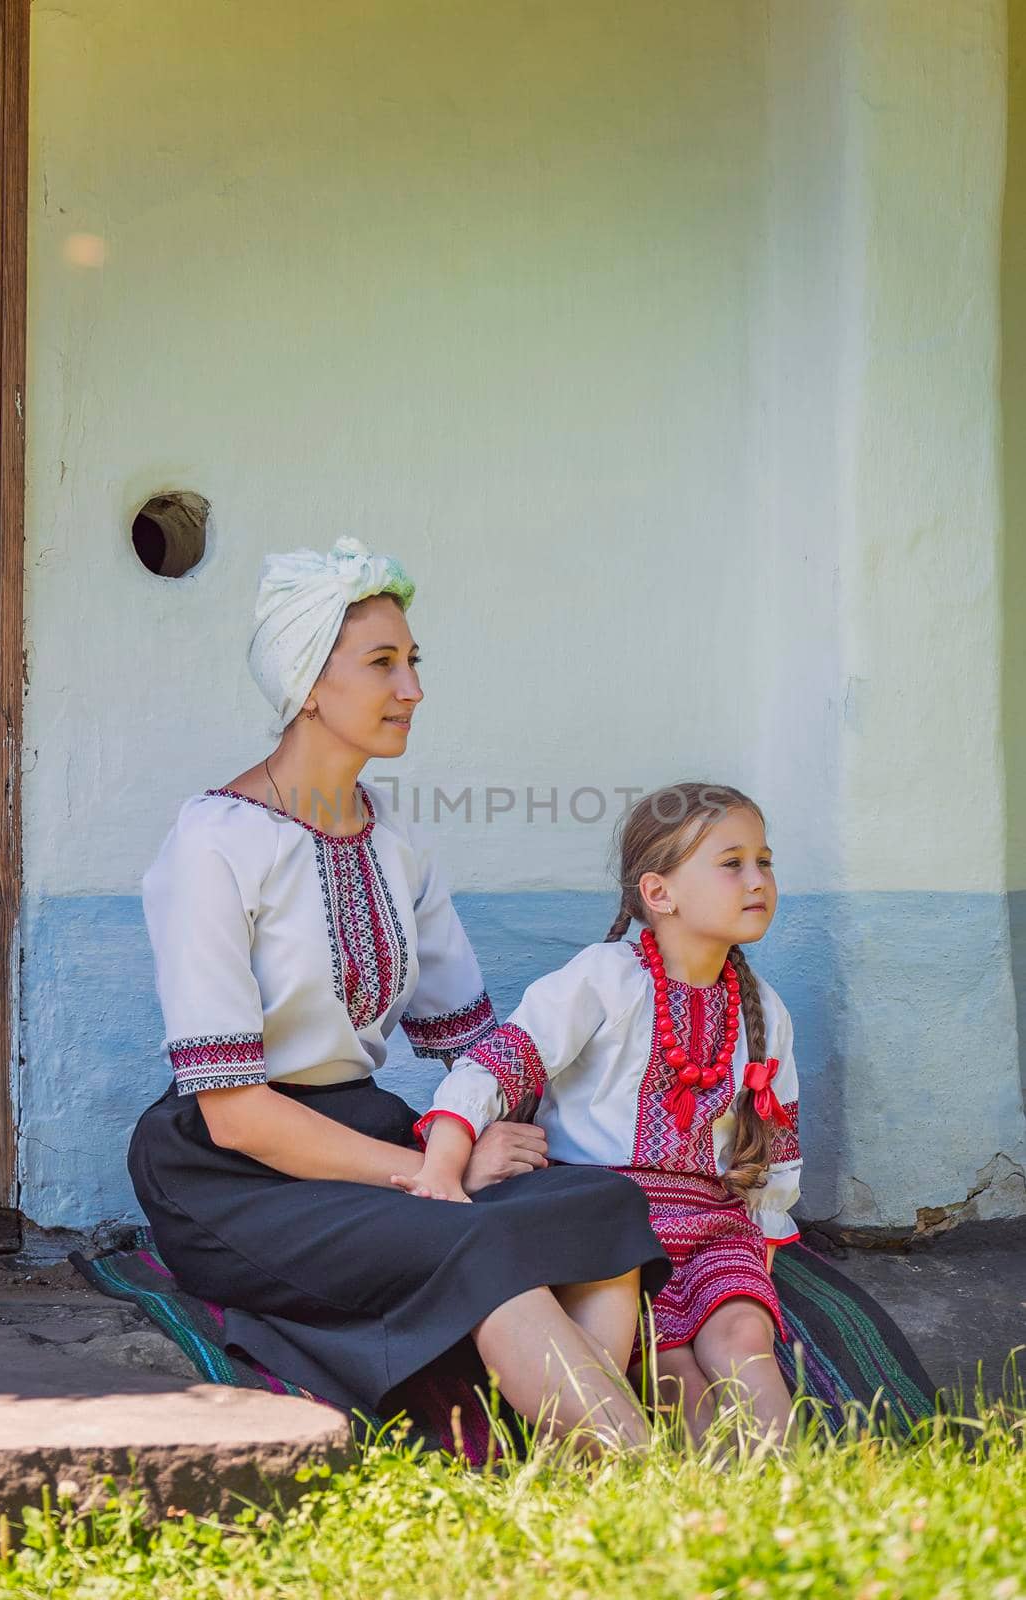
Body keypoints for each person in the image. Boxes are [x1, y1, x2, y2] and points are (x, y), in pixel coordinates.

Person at [128, 539, 669, 1454]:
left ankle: (567, 1459)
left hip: (374, 1137)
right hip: (235, 1173)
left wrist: (489, 1128)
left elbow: (472, 1048)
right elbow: (235, 1116)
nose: (411, 686)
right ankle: (641, 1479)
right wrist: (435, 1173)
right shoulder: (212, 842)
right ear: (307, 682)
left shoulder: (395, 839)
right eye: (382, 662)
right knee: (473, 1242)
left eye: (412, 660)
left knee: (601, 1207)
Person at [402, 782, 802, 1443]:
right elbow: (495, 1067)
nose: (757, 879)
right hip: (613, 1229)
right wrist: (444, 1166)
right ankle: (710, 1508)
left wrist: (758, 1242)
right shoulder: (603, 980)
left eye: (764, 861)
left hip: (712, 1225)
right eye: (731, 863)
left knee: (742, 1334)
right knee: (673, 1366)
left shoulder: (763, 1007)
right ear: (658, 893)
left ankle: (797, 1492)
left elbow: (775, 1144)